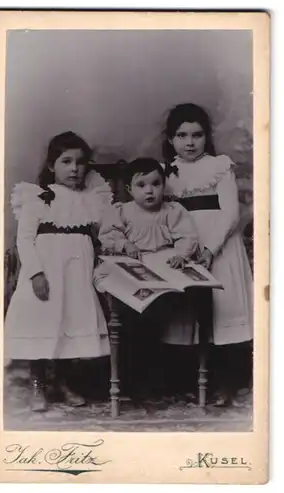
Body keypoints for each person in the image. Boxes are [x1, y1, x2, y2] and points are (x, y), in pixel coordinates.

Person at [4, 131, 113, 412]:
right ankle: (38, 383)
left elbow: (101, 236)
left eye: (80, 162)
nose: (74, 169)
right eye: (66, 162)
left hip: (77, 274)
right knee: (43, 324)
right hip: (46, 274)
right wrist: (36, 273)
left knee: (69, 323)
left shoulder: (92, 199)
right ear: (52, 166)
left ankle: (63, 382)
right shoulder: (39, 197)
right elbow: (25, 239)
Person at [162, 103, 253, 405]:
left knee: (222, 311)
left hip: (220, 246)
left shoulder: (220, 166)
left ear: (207, 137)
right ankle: (192, 380)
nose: (190, 142)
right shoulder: (167, 173)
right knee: (189, 314)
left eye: (197, 135)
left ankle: (226, 383)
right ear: (171, 139)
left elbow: (230, 213)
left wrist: (211, 249)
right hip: (184, 247)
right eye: (182, 135)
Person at [95, 157, 199, 400]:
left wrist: (181, 254)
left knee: (158, 322)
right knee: (131, 324)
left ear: (164, 185)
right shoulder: (123, 211)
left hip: (161, 267)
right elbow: (108, 235)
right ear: (130, 190)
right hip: (133, 267)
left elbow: (186, 236)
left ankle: (157, 380)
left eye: (156, 184)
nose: (150, 190)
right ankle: (129, 380)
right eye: (142, 185)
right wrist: (124, 244)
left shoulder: (172, 211)